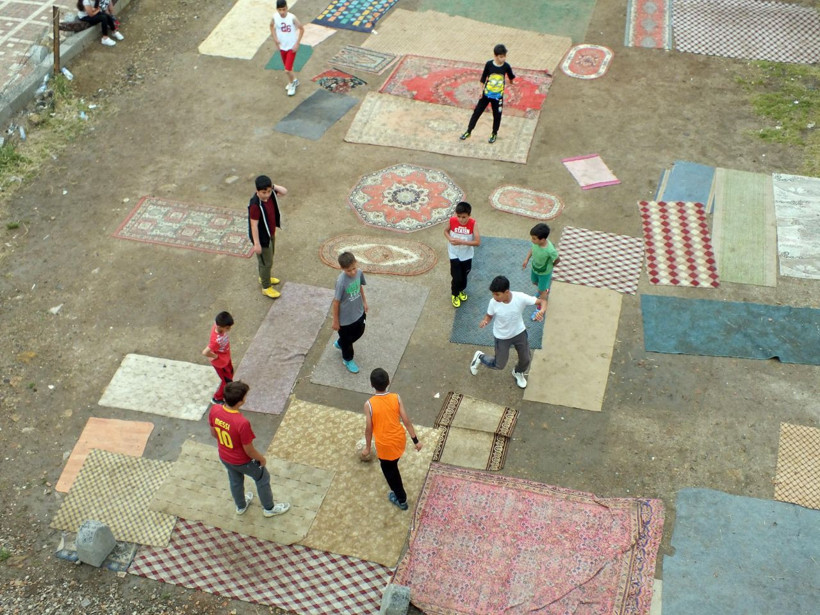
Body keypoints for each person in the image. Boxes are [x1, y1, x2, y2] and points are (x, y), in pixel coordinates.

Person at [209, 381, 291, 518]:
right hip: (243, 461)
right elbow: (249, 450)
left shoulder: (215, 410)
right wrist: (261, 459)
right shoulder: (241, 423)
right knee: (262, 478)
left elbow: (213, 434)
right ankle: (269, 508)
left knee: (235, 480)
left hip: (224, 456)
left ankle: (240, 506)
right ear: (240, 402)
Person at [361, 368, 423, 511]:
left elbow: (368, 429)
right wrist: (416, 441)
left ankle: (401, 499)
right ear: (388, 382)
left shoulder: (369, 404)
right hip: (399, 441)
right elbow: (406, 421)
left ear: (371, 385)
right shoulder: (396, 397)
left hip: (385, 447)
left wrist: (368, 448)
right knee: (394, 463)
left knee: (391, 473)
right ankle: (399, 493)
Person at [469, 275, 546, 389]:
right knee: (499, 365)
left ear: (506, 292)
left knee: (526, 359)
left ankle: (518, 372)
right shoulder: (493, 302)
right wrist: (486, 321)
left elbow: (542, 301)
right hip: (502, 337)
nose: (494, 297)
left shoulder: (520, 297)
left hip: (519, 333)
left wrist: (542, 311)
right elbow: (489, 315)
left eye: (497, 294)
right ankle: (480, 357)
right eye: (493, 294)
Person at [460, 44, 515, 144]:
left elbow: (511, 76)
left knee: (497, 115)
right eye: (501, 57)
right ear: (495, 56)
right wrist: (481, 91)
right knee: (477, 112)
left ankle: (494, 133)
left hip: (498, 97)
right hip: (486, 94)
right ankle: (469, 131)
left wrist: (511, 81)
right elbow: (483, 79)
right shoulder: (489, 64)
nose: (503, 59)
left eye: (504, 56)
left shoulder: (506, 66)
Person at [248, 175, 287, 299]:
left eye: (269, 191)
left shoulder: (271, 195)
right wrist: (256, 243)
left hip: (270, 233)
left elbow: (284, 191)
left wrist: (273, 187)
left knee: (268, 258)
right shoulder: (255, 205)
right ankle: (266, 287)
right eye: (264, 192)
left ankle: (264, 277)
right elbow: (253, 225)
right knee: (266, 262)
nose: (267, 195)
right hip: (262, 238)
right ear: (257, 191)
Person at [332, 251, 368, 374]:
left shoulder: (359, 273)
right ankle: (348, 359)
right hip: (345, 320)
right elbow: (336, 302)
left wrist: (364, 302)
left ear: (356, 263)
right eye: (348, 271)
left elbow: (360, 286)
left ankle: (340, 342)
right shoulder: (341, 282)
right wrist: (336, 321)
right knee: (348, 344)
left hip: (358, 311)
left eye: (353, 268)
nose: (352, 272)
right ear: (342, 269)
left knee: (360, 331)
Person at [444, 201, 481, 308]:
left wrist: (462, 242)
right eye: (458, 216)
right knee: (456, 277)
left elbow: (477, 242)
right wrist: (450, 238)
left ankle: (461, 290)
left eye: (464, 217)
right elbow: (445, 231)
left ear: (469, 215)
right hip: (454, 253)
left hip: (467, 255)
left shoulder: (473, 224)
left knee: (464, 276)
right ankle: (454, 294)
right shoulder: (452, 221)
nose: (460, 219)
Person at [522, 223, 560, 320]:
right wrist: (526, 259)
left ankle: (540, 307)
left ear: (542, 239)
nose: (532, 240)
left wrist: (550, 268)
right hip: (535, 269)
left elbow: (557, 259)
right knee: (535, 282)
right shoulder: (536, 244)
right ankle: (544, 289)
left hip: (544, 273)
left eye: (534, 238)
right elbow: (532, 250)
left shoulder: (550, 250)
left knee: (541, 291)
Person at [271, 0, 304, 96]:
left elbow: (301, 29)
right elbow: (271, 26)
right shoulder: (275, 17)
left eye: (284, 9)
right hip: (282, 46)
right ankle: (295, 80)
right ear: (277, 9)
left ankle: (292, 83)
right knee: (288, 67)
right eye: (280, 10)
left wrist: (297, 43)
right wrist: (275, 39)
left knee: (287, 70)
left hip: (291, 47)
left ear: (287, 8)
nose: (282, 12)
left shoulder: (292, 18)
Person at [201, 311, 234, 404]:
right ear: (219, 326)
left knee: (230, 373)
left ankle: (229, 384)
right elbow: (205, 352)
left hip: (225, 357)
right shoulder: (216, 340)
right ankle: (217, 398)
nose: (229, 329)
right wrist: (215, 356)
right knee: (226, 381)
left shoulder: (217, 325)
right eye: (227, 328)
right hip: (221, 362)